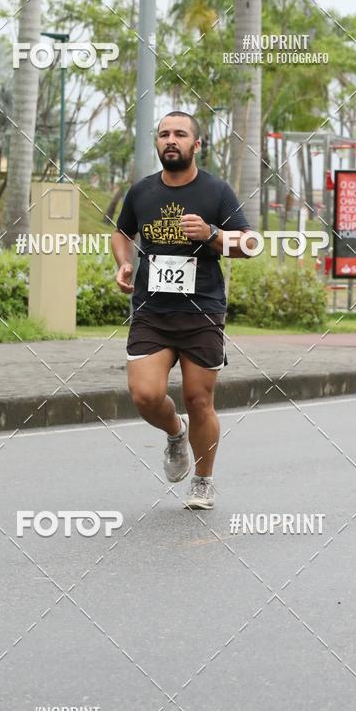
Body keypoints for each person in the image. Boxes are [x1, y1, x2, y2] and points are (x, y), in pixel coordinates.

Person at [111, 111, 256, 509]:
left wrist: (212, 234)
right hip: (152, 311)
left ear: (197, 144)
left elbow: (247, 245)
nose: (170, 140)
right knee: (145, 395)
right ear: (157, 144)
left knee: (198, 399)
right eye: (163, 134)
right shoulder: (141, 192)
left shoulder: (216, 192)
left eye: (180, 134)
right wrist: (123, 262)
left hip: (202, 312)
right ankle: (176, 434)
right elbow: (123, 233)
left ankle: (203, 480)